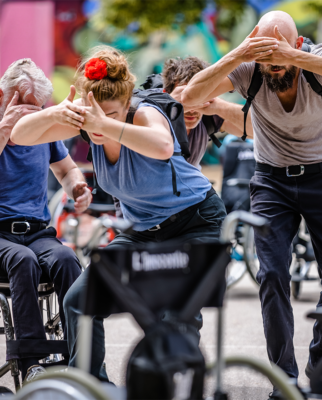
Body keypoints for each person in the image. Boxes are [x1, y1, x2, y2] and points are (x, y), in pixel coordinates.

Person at [11, 46, 227, 382]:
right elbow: (20, 136)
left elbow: (163, 146)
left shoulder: (145, 112)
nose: (99, 127)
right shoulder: (86, 121)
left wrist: (104, 124)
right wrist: (57, 114)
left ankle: (175, 385)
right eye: (94, 116)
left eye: (111, 115)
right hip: (141, 231)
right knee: (78, 301)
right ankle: (92, 385)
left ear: (127, 105)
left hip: (195, 222)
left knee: (174, 317)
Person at [182, 11, 322, 398]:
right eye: (265, 63)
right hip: (271, 182)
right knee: (272, 276)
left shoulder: (315, 61)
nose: (272, 70)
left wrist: (295, 56)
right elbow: (192, 96)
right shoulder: (250, 68)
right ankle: (284, 381)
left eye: (279, 62)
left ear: (296, 46)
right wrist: (238, 54)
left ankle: (320, 363)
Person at [0, 59, 90, 380]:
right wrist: (5, 128)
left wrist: (77, 187)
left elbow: (65, 169)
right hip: (2, 237)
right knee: (23, 261)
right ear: (2, 96)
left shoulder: (42, 131)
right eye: (25, 107)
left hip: (39, 232)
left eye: (38, 108)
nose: (32, 115)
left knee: (67, 259)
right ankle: (31, 363)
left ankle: (83, 356)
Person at [163, 56, 252, 168]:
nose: (192, 109)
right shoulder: (152, 112)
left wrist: (219, 106)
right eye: (184, 98)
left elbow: (259, 132)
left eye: (197, 98)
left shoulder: (209, 115)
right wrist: (168, 107)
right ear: (166, 93)